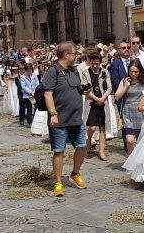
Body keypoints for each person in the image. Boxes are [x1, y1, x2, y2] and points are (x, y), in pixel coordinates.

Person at [43, 41, 90, 197]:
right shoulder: (52, 71)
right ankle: (58, 182)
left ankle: (75, 173)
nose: (77, 56)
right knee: (59, 151)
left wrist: (84, 91)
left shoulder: (74, 70)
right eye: (75, 53)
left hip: (76, 117)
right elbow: (48, 94)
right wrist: (53, 113)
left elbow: (75, 88)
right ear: (66, 55)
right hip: (60, 119)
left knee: (82, 146)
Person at [81, 52, 113, 161]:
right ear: (90, 62)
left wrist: (103, 98)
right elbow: (85, 89)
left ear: (100, 62)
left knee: (102, 128)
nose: (95, 66)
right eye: (93, 63)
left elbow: (109, 88)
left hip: (103, 103)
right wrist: (96, 99)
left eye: (97, 64)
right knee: (92, 127)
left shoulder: (105, 72)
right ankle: (89, 141)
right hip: (91, 102)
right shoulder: (85, 72)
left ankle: (101, 151)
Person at [114, 59, 144, 157]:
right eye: (131, 71)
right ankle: (132, 156)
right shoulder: (125, 81)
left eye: (136, 72)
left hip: (141, 111)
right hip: (128, 111)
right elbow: (117, 96)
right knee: (130, 140)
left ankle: (136, 159)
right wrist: (125, 87)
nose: (133, 73)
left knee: (141, 139)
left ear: (140, 71)